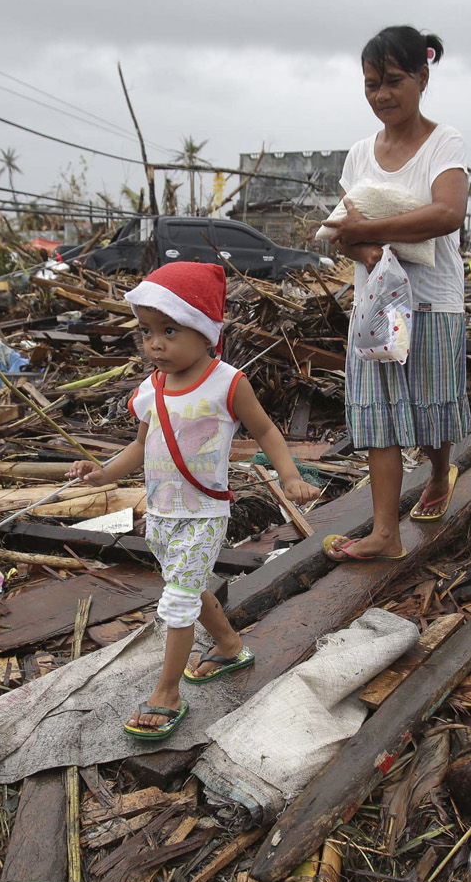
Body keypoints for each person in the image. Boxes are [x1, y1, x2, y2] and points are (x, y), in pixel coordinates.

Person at [67, 262, 318, 740]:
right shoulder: (151, 389)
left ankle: (167, 694)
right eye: (147, 332)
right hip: (160, 513)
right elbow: (141, 447)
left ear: (205, 334)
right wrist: (101, 475)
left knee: (177, 600)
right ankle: (227, 645)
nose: (155, 343)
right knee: (191, 585)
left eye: (169, 330)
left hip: (203, 513)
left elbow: (265, 430)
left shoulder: (227, 382)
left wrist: (289, 477)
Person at [320, 25, 471, 561]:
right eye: (370, 85)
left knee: (431, 415)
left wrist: (369, 234)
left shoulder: (443, 142)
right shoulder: (359, 153)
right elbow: (346, 231)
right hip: (379, 304)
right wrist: (368, 251)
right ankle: (387, 533)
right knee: (378, 415)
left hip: (432, 302)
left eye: (393, 81)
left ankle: (437, 470)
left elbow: (448, 213)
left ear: (422, 77)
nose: (381, 95)